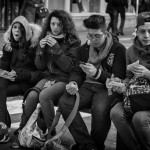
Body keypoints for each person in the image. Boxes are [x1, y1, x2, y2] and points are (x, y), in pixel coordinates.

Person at [11, 10, 81, 149]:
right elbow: (40, 66)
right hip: (48, 77)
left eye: (59, 25)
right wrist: (40, 52)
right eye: (53, 24)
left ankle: (51, 136)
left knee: (44, 95)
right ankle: (23, 132)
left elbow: (69, 67)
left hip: (64, 79)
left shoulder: (73, 42)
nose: (55, 27)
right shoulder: (44, 36)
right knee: (31, 96)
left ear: (65, 26)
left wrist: (56, 48)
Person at [58, 14, 126, 150]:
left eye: (97, 36)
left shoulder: (118, 49)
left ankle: (95, 145)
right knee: (65, 102)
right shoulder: (84, 49)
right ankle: (88, 145)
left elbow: (118, 77)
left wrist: (97, 73)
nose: (93, 40)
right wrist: (73, 83)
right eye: (90, 36)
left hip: (107, 88)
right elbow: (77, 71)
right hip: (87, 86)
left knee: (100, 109)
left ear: (105, 33)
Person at [110, 12, 150, 150]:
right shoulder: (131, 51)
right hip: (135, 96)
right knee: (115, 113)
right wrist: (122, 84)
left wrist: (147, 73)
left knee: (139, 119)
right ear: (136, 32)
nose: (147, 35)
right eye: (142, 31)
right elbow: (127, 76)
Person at [0, 15, 42, 143]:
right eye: (14, 27)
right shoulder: (10, 45)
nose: (16, 30)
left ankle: (3, 125)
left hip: (28, 84)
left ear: (26, 31)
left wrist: (19, 75)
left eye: (20, 28)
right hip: (13, 82)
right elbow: (3, 68)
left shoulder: (34, 46)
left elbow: (40, 72)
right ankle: (3, 123)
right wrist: (6, 55)